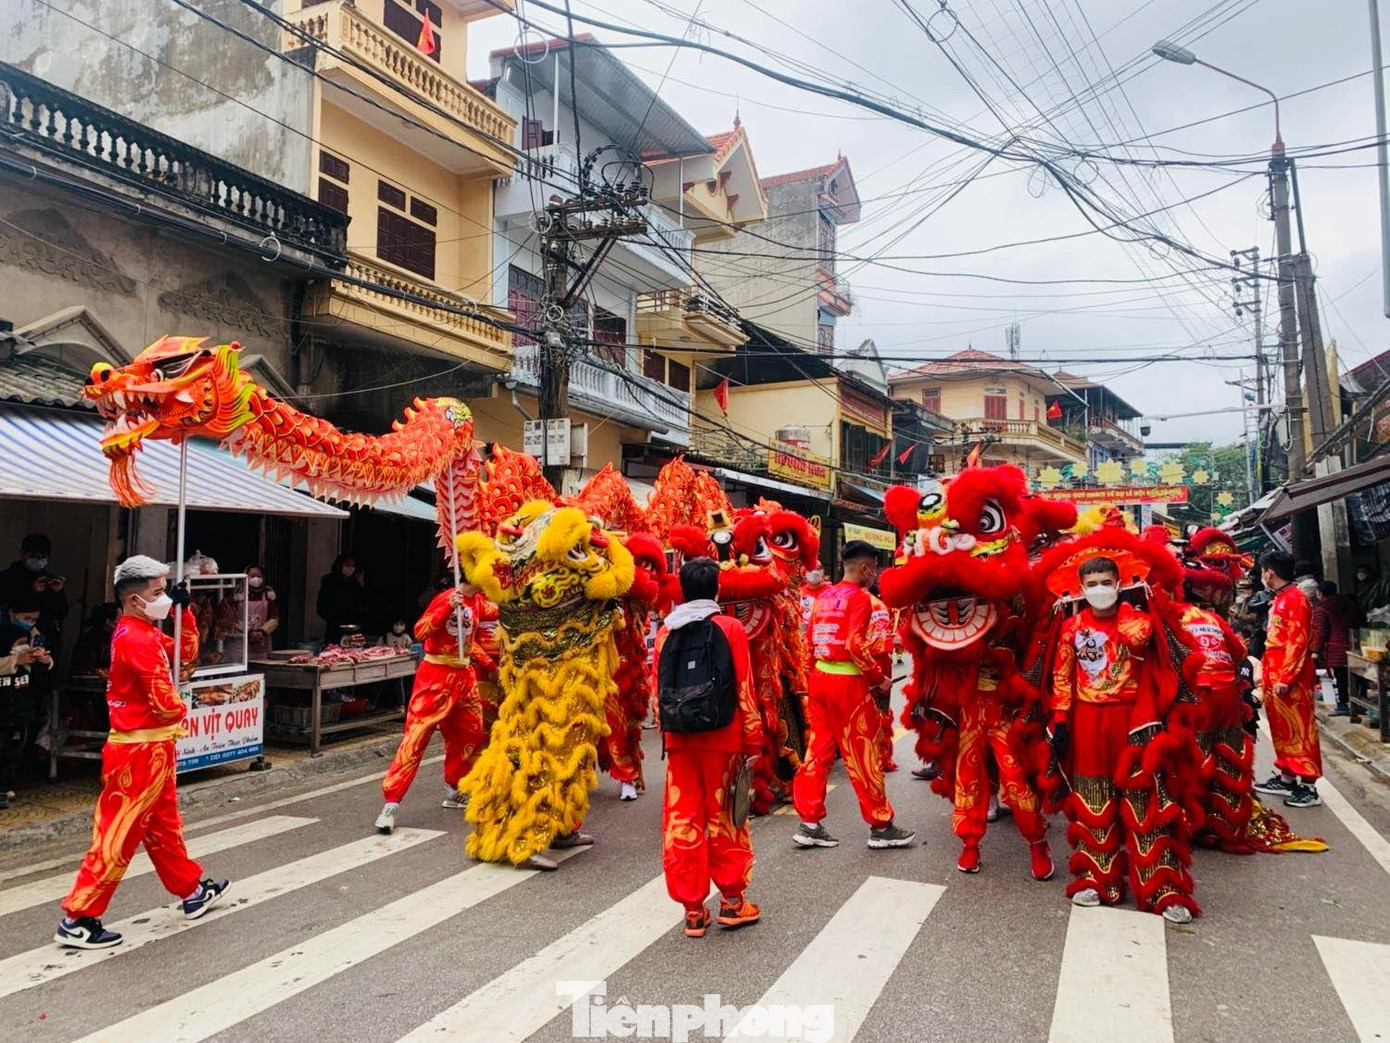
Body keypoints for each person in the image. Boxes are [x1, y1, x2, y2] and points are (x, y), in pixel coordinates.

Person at [56, 555, 229, 949]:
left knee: (164, 825)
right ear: (135, 600)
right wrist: (187, 705)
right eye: (159, 591)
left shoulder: (144, 632)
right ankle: (78, 916)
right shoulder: (135, 639)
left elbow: (184, 659)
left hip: (154, 746)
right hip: (137, 751)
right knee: (118, 834)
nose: (165, 596)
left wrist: (182, 614)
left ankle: (190, 891)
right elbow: (167, 700)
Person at [1050, 556, 1197, 923]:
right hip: (1087, 720)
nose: (1099, 589)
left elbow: (1140, 638)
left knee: (1145, 801)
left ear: (1119, 584)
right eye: (1092, 583)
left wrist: (1139, 601)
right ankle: (1098, 880)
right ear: (1082, 588)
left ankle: (1162, 888)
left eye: (1106, 582)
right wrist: (1061, 721)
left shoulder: (1137, 619)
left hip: (1135, 721)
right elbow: (1062, 676)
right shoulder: (1071, 627)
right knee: (1093, 798)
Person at [654, 557, 765, 938]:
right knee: (725, 819)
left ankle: (692, 910)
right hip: (723, 737)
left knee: (683, 819)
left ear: (683, 589)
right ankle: (733, 902)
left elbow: (658, 694)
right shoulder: (730, 628)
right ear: (717, 589)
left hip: (680, 740)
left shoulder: (666, 632)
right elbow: (744, 689)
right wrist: (753, 739)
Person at [792, 541, 915, 851]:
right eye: (873, 568)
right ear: (864, 569)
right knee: (863, 754)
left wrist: (810, 678)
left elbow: (809, 640)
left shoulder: (823, 597)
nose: (873, 575)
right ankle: (881, 825)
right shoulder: (861, 599)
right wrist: (879, 678)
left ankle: (809, 823)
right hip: (848, 683)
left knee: (818, 752)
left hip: (820, 678)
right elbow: (855, 644)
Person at [374, 583, 488, 834]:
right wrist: (446, 608)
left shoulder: (478, 601)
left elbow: (498, 612)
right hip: (435, 678)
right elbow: (420, 631)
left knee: (471, 734)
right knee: (416, 739)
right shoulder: (447, 598)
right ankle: (391, 803)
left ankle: (455, 788)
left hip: (464, 677)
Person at [1254, 550, 1323, 808]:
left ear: (1270, 572)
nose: (1262, 575)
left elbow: (1298, 641)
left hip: (1289, 674)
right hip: (1275, 670)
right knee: (1281, 727)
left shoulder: (1297, 600)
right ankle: (1286, 777)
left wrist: (1287, 676)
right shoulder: (1281, 599)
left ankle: (1308, 786)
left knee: (1300, 727)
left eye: (1263, 571)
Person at [0, 590, 54, 810]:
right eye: (26, 618)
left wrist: (43, 659)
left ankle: (5, 787)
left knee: (13, 752)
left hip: (20, 712)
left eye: (33, 620)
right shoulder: (5, 640)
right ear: (12, 614)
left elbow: (46, 667)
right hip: (3, 710)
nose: (30, 623)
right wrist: (14, 660)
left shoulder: (34, 639)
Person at [0, 534, 69, 638]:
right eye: (33, 556)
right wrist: (30, 590)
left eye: (42, 557)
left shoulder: (48, 579)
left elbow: (60, 612)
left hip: (42, 637)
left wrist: (58, 592)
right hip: (12, 637)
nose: (38, 561)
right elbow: (5, 603)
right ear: (23, 554)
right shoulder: (8, 577)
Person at [1312, 581, 1359, 717]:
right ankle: (1358, 702)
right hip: (1352, 642)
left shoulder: (1322, 609)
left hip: (1335, 647)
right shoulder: (1348, 604)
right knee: (1356, 675)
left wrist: (1316, 650)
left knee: (1339, 677)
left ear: (1321, 593)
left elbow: (1322, 631)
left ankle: (1342, 704)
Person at [316, 554, 367, 645]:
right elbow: (321, 607)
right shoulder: (329, 582)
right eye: (347, 565)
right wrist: (333, 618)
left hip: (352, 628)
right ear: (339, 566)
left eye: (352, 566)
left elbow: (361, 605)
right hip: (334, 627)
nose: (350, 568)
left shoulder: (355, 584)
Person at [69, 603, 120, 678]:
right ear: (108, 622)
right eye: (120, 620)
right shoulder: (88, 644)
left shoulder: (114, 641)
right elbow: (83, 672)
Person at [243, 565, 280, 661]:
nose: (256, 578)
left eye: (259, 576)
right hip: (240, 641)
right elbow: (232, 619)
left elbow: (274, 618)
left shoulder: (268, 594)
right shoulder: (238, 594)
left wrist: (262, 632)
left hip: (261, 641)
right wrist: (247, 632)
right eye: (252, 575)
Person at [798, 567, 827, 632]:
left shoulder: (832, 592)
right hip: (804, 632)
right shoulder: (799, 592)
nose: (815, 572)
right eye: (811, 568)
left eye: (818, 568)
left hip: (824, 631)